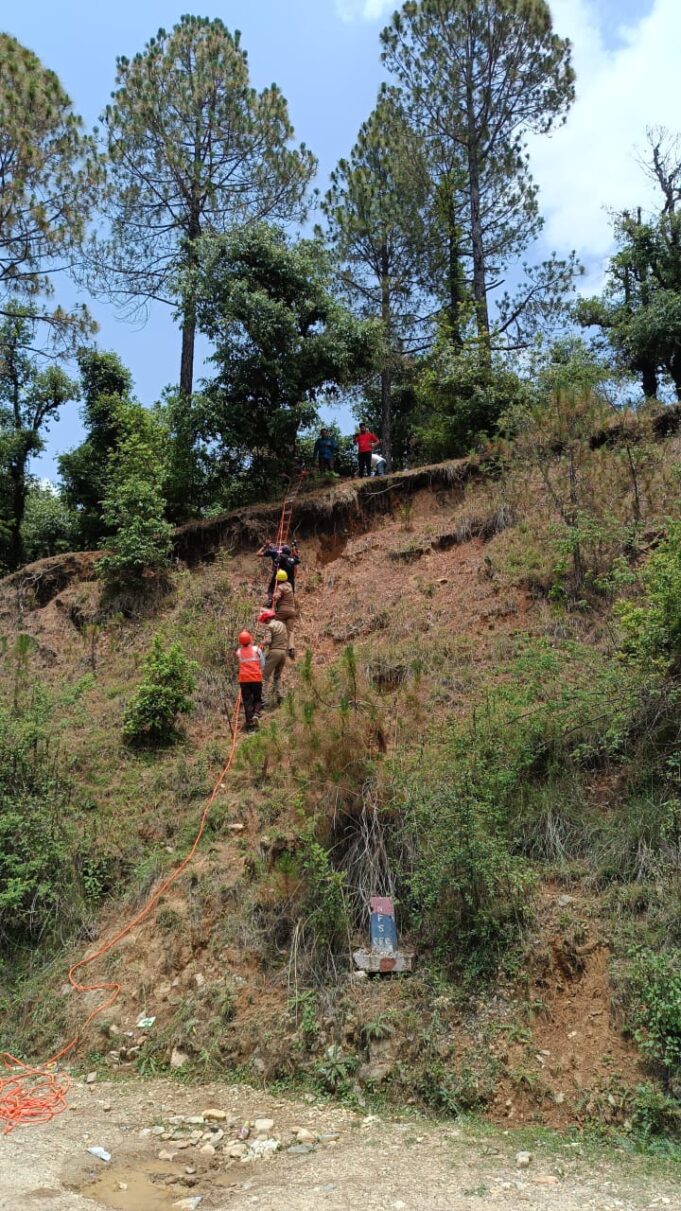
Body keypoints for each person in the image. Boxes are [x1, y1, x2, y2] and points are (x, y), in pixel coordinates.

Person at [235, 629, 264, 731]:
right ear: (250, 639)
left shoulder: (238, 652)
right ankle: (256, 713)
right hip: (256, 678)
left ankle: (250, 724)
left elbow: (240, 663)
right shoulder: (257, 650)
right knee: (257, 699)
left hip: (244, 680)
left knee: (247, 701)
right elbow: (262, 664)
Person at [258, 608, 288, 705]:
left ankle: (263, 699)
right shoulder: (282, 625)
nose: (265, 622)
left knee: (264, 676)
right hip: (283, 652)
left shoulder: (269, 627)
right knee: (277, 676)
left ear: (267, 619)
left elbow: (268, 641)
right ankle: (280, 697)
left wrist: (262, 642)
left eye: (265, 621)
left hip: (274, 652)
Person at [273, 568, 297, 658]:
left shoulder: (280, 587)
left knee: (274, 623)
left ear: (278, 579)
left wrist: (274, 596)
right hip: (292, 611)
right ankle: (291, 648)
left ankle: (276, 644)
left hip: (283, 611)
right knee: (290, 630)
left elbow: (277, 596)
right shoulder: (289, 585)